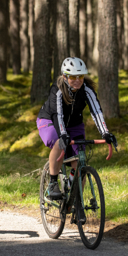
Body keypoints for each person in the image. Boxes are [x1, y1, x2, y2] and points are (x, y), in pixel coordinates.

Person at [37, 57, 117, 200]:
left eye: (80, 76)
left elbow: (96, 111)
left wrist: (105, 133)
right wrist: (62, 134)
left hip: (74, 125)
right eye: (73, 77)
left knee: (79, 163)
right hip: (49, 120)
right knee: (58, 143)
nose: (77, 80)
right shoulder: (57, 89)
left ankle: (75, 200)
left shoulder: (86, 89)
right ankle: (53, 183)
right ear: (65, 76)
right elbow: (58, 114)